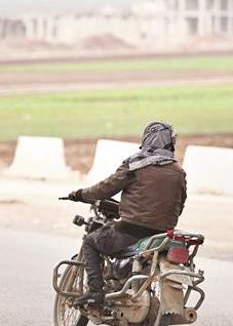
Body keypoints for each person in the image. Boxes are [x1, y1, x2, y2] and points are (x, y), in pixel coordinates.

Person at [66, 121, 187, 308]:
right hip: (162, 235)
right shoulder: (178, 172)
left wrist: (80, 194)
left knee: (90, 242)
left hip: (131, 231)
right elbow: (179, 205)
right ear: (169, 143)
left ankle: (95, 293)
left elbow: (104, 189)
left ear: (148, 139)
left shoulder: (136, 164)